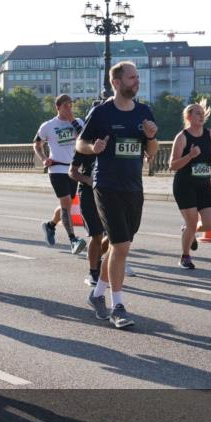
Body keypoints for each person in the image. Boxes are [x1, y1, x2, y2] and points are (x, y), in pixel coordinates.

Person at [76, 62, 158, 329]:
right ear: (117, 82)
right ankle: (118, 306)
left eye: (137, 77)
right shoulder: (101, 112)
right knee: (121, 246)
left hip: (134, 186)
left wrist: (152, 136)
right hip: (106, 185)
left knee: (119, 245)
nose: (137, 82)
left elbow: (152, 152)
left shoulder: (144, 112)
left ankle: (97, 295)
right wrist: (93, 146)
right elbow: (81, 143)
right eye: (132, 78)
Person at [168, 102, 211, 269]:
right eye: (197, 113)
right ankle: (185, 257)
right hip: (185, 185)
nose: (201, 115)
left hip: (204, 184)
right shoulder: (182, 137)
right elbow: (172, 165)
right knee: (192, 222)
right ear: (188, 117)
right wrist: (190, 156)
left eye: (202, 112)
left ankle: (188, 231)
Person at [34, 94, 87, 255]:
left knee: (67, 205)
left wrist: (72, 121)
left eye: (71, 105)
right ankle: (73, 240)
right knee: (65, 202)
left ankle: (50, 225)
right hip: (56, 169)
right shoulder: (48, 126)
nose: (69, 109)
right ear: (57, 107)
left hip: (73, 169)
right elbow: (36, 144)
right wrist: (44, 158)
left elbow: (84, 138)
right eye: (65, 106)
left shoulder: (78, 122)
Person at [69, 151, 110, 287]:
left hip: (110, 193)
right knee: (96, 235)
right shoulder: (85, 146)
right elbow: (72, 172)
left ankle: (98, 259)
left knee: (114, 236)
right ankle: (93, 272)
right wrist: (87, 180)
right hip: (88, 194)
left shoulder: (114, 142)